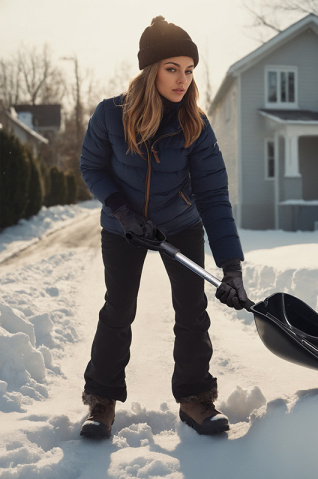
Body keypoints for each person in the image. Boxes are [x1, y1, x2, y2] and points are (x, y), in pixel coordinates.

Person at [79, 16, 250, 438]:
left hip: (180, 223)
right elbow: (92, 167)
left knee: (192, 312)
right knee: (118, 309)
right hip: (123, 226)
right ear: (149, 69)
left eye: (189, 70)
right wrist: (123, 212)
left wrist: (232, 267)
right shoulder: (110, 115)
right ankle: (101, 401)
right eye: (172, 68)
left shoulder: (195, 126)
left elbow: (213, 196)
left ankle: (195, 399)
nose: (182, 80)